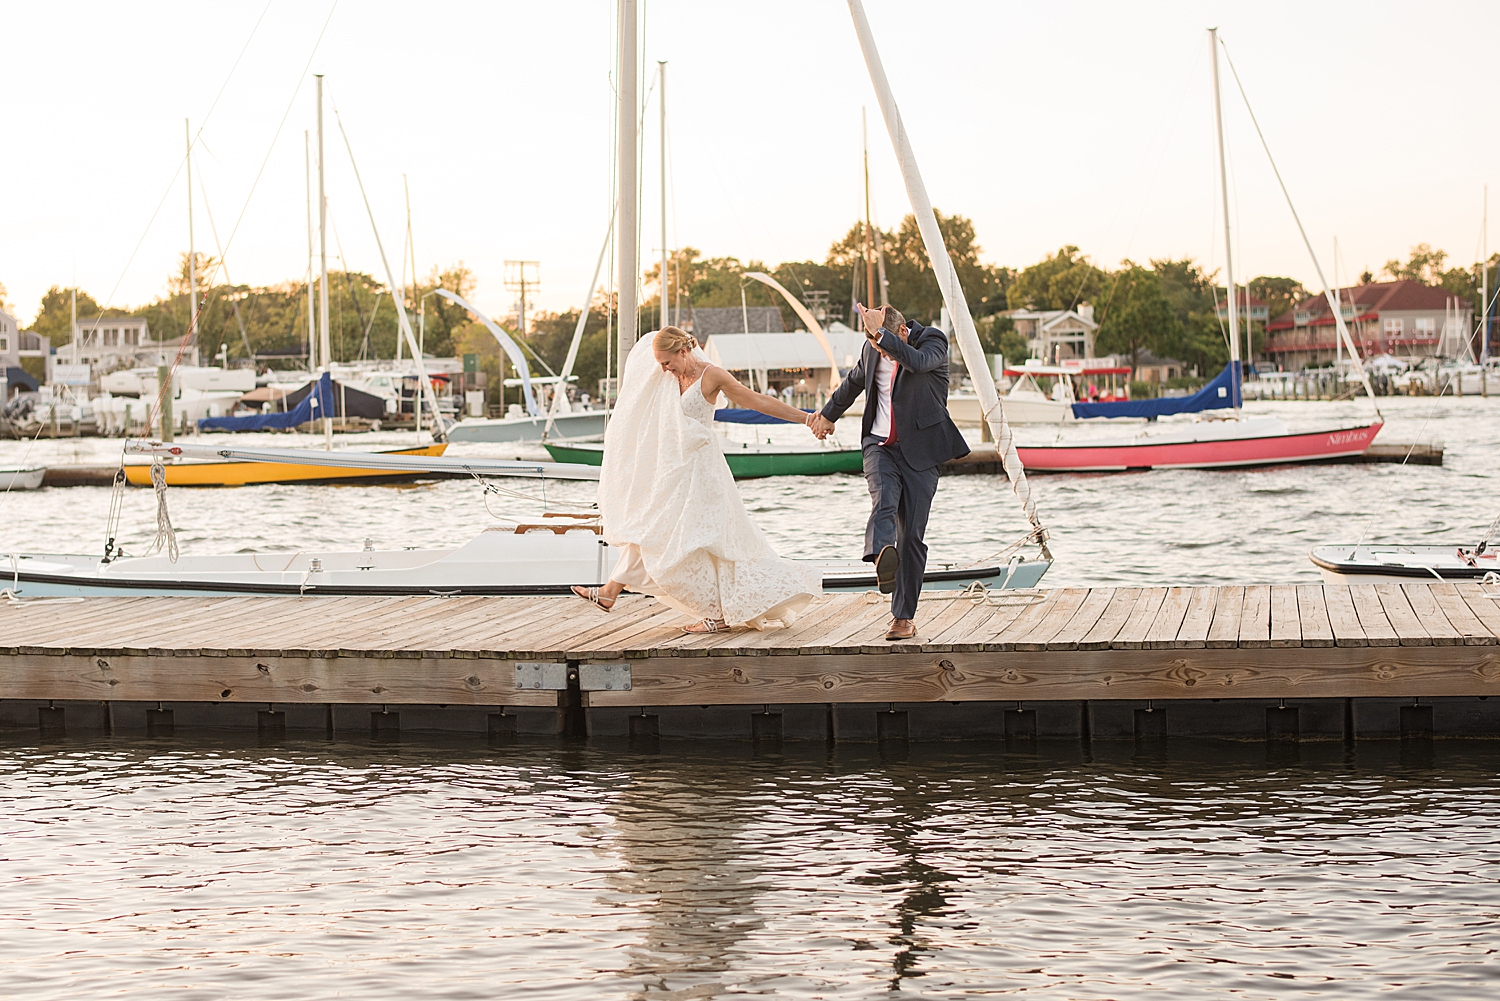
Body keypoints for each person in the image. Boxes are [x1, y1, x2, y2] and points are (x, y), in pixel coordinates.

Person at [572, 326, 823, 633]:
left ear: (683, 351)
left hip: (702, 473)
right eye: (660, 363)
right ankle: (611, 592)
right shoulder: (664, 377)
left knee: (699, 539)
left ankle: (715, 615)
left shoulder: (711, 375)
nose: (664, 368)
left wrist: (806, 417)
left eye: (668, 361)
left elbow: (755, 400)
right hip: (673, 471)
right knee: (652, 527)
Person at [809, 304, 969, 640]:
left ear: (899, 333)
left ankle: (903, 617)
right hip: (879, 445)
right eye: (871, 340)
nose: (875, 347)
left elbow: (918, 363)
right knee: (883, 497)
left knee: (911, 536)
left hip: (922, 453)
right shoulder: (872, 347)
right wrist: (827, 416)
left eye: (880, 340)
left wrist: (881, 336)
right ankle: (882, 555)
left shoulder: (932, 342)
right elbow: (852, 384)